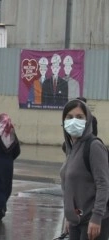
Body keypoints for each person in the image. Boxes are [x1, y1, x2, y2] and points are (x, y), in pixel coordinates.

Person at [60, 99, 109, 240]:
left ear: (87, 120)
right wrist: (69, 217)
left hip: (92, 222)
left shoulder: (94, 146)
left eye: (79, 117)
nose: (74, 120)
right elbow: (70, 187)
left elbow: (103, 184)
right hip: (76, 221)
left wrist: (97, 217)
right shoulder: (71, 148)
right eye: (69, 117)